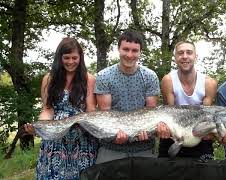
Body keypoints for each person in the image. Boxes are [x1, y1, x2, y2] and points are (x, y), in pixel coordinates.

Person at [24, 37, 98, 179]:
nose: (71, 62)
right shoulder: (49, 78)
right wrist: (40, 127)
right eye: (67, 58)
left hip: (81, 142)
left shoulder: (89, 79)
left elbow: (90, 109)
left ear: (80, 58)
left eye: (74, 58)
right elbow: (47, 109)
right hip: (55, 142)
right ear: (60, 58)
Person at [94, 30, 160, 163]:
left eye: (135, 50)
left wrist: (147, 131)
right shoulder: (104, 76)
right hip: (111, 147)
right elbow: (105, 114)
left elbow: (151, 112)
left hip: (144, 147)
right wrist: (115, 135)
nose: (130, 55)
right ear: (118, 49)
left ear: (140, 52)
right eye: (126, 49)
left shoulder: (150, 76)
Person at [157, 41, 218, 160]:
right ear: (175, 58)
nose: (185, 56)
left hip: (200, 137)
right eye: (180, 53)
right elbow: (169, 113)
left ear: (195, 56)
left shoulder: (209, 83)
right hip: (173, 135)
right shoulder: (168, 80)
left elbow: (205, 117)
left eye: (189, 52)